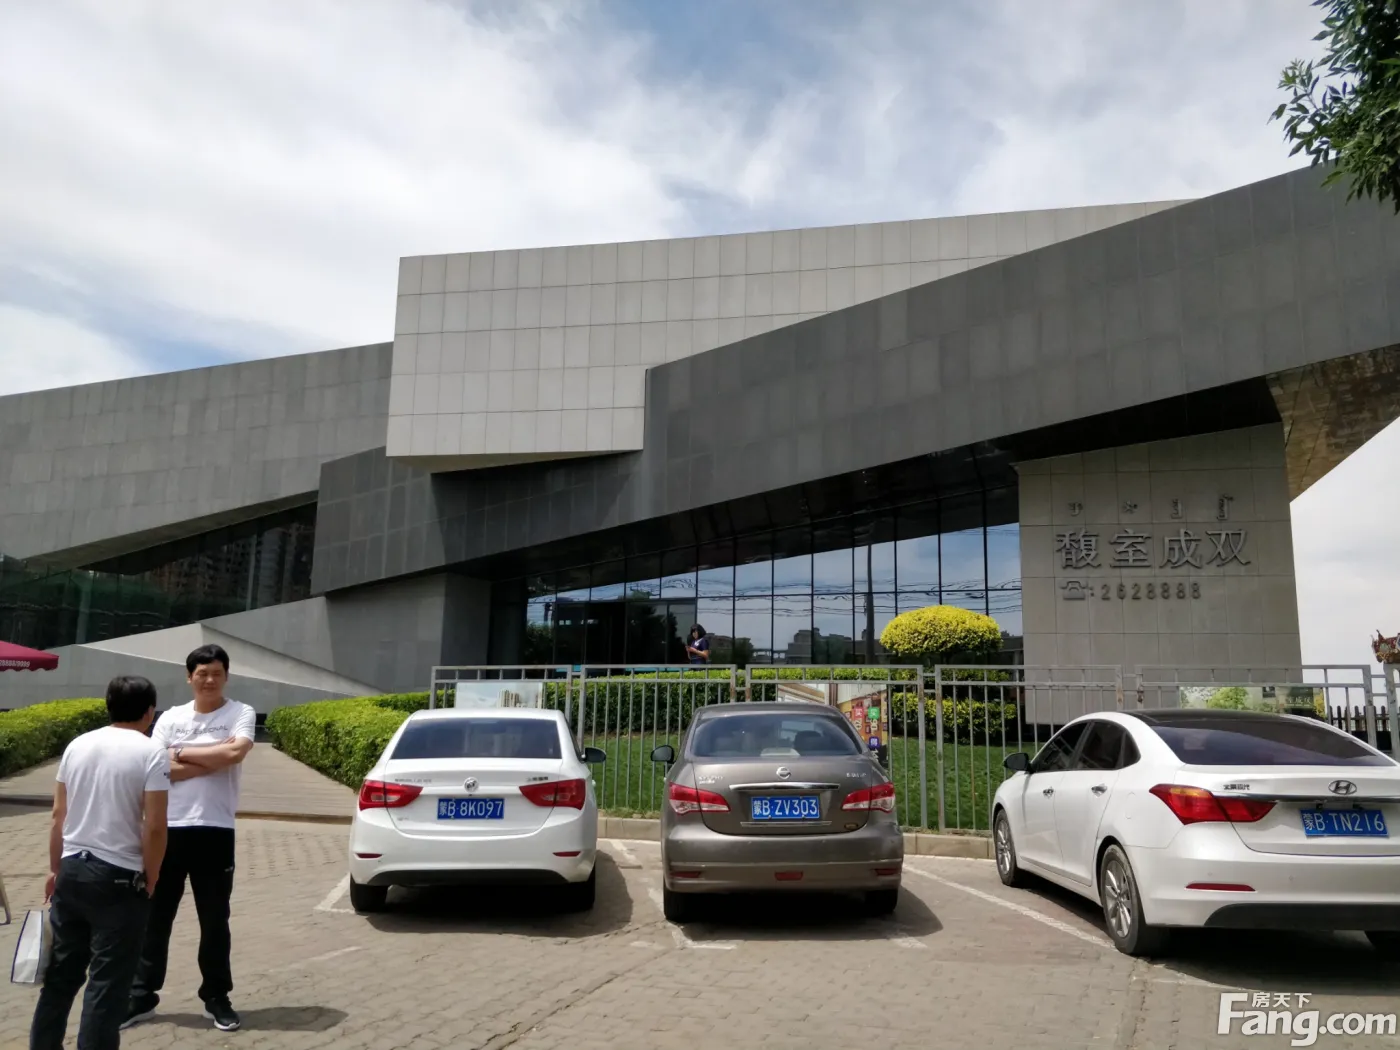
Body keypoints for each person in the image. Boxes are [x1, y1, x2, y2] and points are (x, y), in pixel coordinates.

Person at [30, 675, 169, 1050]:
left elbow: (58, 815)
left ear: (108, 705)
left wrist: (55, 869)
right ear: (150, 712)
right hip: (119, 877)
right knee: (107, 985)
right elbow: (156, 826)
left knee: (60, 978)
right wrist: (152, 876)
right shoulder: (151, 751)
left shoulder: (77, 745)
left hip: (72, 870)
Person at [124, 645, 255, 1033]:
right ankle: (141, 996)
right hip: (167, 828)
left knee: (214, 920)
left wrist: (180, 753)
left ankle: (217, 997)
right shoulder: (171, 717)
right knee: (155, 918)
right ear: (189, 677)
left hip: (215, 829)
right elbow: (157, 765)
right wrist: (212, 757)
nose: (209, 680)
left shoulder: (240, 712)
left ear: (226, 676)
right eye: (202, 673)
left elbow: (236, 753)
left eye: (216, 673)